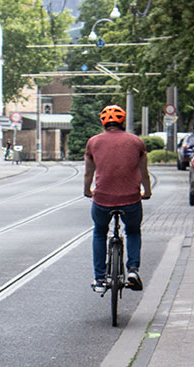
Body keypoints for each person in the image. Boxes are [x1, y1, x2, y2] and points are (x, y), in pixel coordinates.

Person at [83, 105, 152, 294]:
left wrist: (88, 191)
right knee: (133, 231)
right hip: (131, 199)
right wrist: (146, 192)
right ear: (122, 122)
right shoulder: (136, 143)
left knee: (99, 232)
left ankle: (99, 278)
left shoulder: (93, 143)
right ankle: (132, 271)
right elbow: (143, 173)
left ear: (103, 123)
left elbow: (89, 173)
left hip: (102, 200)